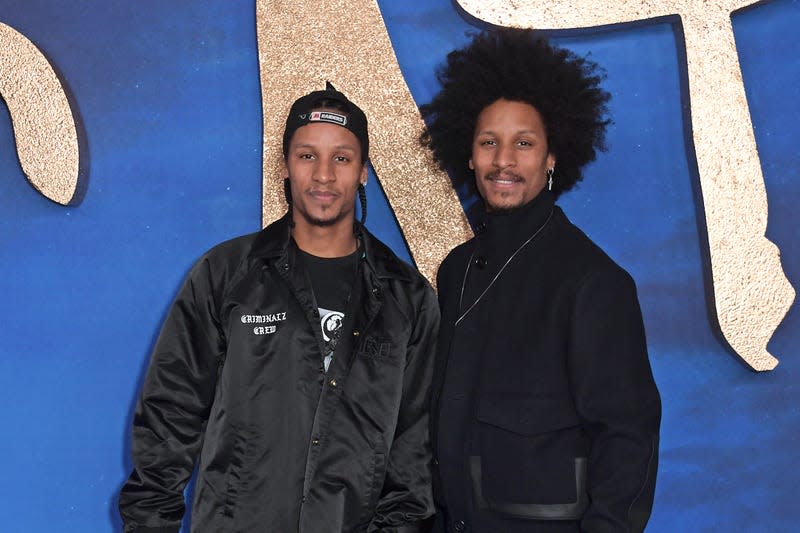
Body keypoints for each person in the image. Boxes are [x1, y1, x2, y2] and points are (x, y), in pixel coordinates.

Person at [119, 83, 438, 532]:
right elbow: (169, 413)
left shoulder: (408, 297)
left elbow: (413, 454)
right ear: (285, 165)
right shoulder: (226, 274)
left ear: (364, 171)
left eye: (341, 158)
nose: (323, 175)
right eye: (308, 156)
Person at [420, 29, 661, 532]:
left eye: (524, 144)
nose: (504, 160)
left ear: (552, 157)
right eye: (489, 142)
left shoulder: (593, 281)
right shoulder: (457, 268)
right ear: (468, 154)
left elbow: (627, 436)